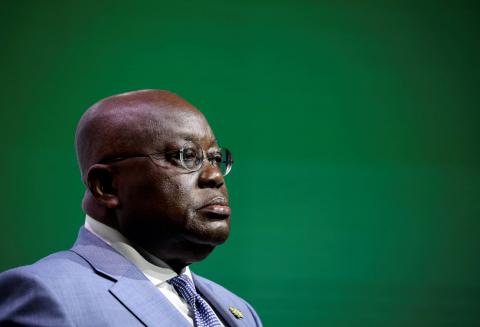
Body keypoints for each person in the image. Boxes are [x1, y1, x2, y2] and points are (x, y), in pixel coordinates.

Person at [0, 90, 262, 327]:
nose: (215, 176)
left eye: (215, 158)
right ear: (107, 186)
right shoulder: (45, 295)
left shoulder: (240, 312)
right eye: (186, 156)